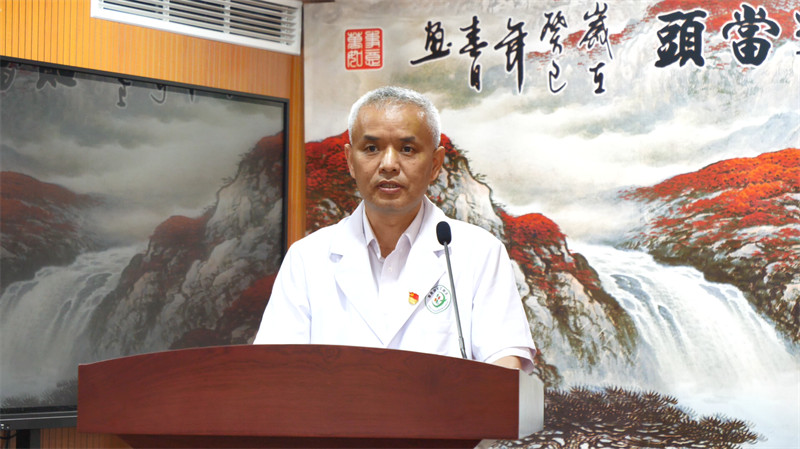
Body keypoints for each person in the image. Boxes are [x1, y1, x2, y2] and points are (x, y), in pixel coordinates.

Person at [254, 86, 535, 372]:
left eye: (407, 149)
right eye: (371, 149)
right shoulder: (307, 257)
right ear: (350, 161)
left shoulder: (479, 253)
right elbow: (275, 368)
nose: (388, 165)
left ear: (435, 164)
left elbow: (505, 362)